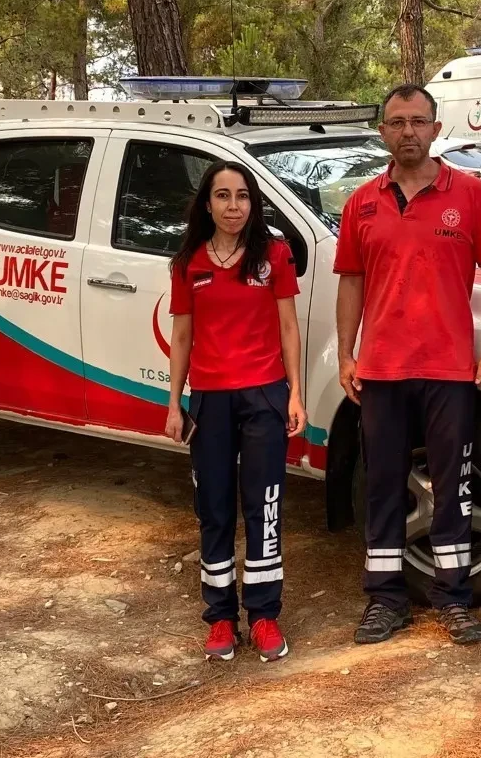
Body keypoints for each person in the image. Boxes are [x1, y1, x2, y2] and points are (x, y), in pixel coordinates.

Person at [335, 84, 481, 646]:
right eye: (396, 122)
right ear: (382, 132)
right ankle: (385, 599)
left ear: (437, 129)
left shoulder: (472, 195)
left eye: (418, 121)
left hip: (449, 370)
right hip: (383, 370)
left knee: (452, 485)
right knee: (383, 484)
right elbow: (351, 283)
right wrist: (346, 352)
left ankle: (453, 597)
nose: (407, 131)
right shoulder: (361, 201)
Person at [165, 160, 307, 664]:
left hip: (264, 396)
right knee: (215, 509)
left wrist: (295, 394)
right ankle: (221, 617)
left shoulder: (274, 255)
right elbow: (182, 335)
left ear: (253, 202)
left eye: (242, 196)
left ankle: (265, 616)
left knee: (264, 507)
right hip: (210, 401)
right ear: (207, 203)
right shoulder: (189, 263)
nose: (233, 206)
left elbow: (289, 327)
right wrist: (175, 403)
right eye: (223, 196)